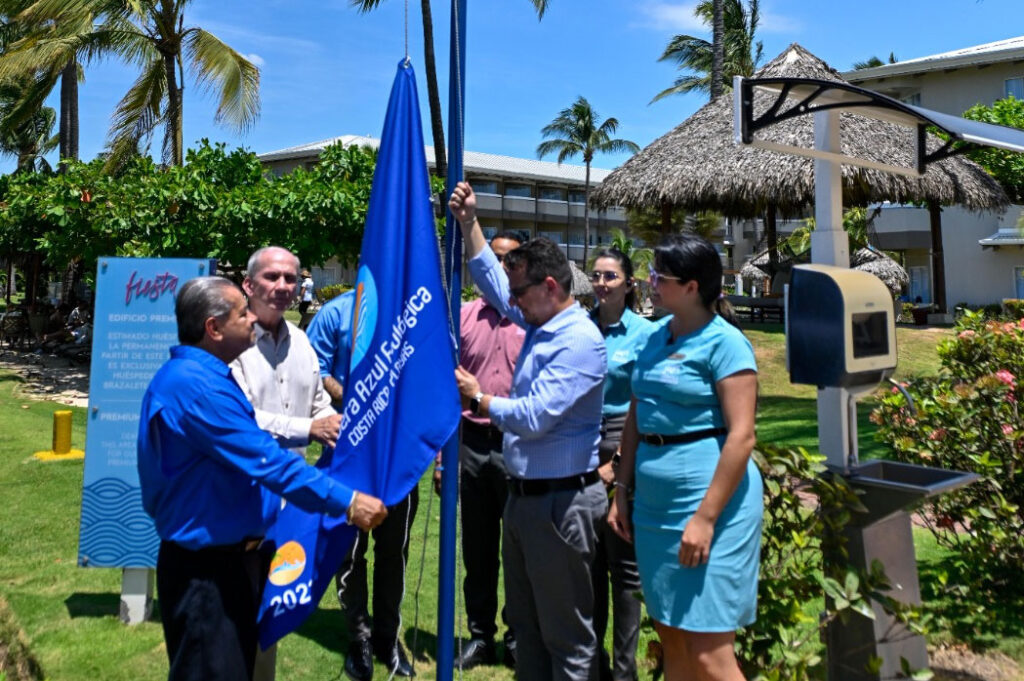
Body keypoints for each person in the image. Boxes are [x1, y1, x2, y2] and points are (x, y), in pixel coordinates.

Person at [138, 276, 387, 681]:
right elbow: (269, 462)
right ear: (213, 328)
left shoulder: (207, 377)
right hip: (207, 574)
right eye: (242, 313)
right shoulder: (196, 388)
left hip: (234, 563)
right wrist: (347, 501)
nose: (253, 318)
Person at [448, 181, 608, 681]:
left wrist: (478, 398)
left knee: (568, 641)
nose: (510, 302)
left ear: (551, 288)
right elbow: (493, 282)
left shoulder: (580, 341)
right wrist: (469, 222)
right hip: (528, 501)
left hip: (561, 504)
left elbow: (537, 417)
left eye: (520, 293)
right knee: (530, 633)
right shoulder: (542, 321)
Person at [607, 234, 761, 681]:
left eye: (660, 277)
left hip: (711, 508)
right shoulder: (654, 336)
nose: (650, 283)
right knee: (671, 639)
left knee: (709, 655)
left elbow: (742, 438)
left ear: (692, 286)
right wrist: (622, 492)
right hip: (653, 508)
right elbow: (638, 413)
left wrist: (706, 518)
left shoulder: (726, 344)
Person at [230, 247, 342, 681]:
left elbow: (316, 403)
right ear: (249, 285)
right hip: (237, 510)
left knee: (268, 629)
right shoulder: (230, 343)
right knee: (230, 631)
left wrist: (336, 423)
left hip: (288, 510)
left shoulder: (302, 341)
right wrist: (308, 429)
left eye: (290, 279)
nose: (282, 287)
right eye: (272, 277)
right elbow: (238, 420)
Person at [306, 290, 418, 681]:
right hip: (347, 455)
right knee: (348, 552)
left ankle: (389, 638)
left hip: (396, 456)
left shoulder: (408, 315)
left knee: (394, 551)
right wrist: (359, 398)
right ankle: (360, 638)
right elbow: (315, 372)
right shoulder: (334, 314)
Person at [442, 231, 526, 671]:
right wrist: (442, 459)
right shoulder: (461, 316)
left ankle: (516, 635)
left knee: (516, 549)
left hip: (516, 446)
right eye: (494, 259)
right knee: (476, 549)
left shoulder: (531, 320)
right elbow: (444, 390)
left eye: (511, 260)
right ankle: (479, 636)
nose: (502, 267)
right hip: (470, 446)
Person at [588, 248, 654, 681]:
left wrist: (617, 464)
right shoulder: (578, 328)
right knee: (586, 561)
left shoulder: (646, 334)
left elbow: (644, 405)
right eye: (595, 275)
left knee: (624, 567)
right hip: (578, 444)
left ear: (629, 283)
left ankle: (624, 671)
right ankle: (592, 668)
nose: (601, 283)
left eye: (610, 276)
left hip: (622, 440)